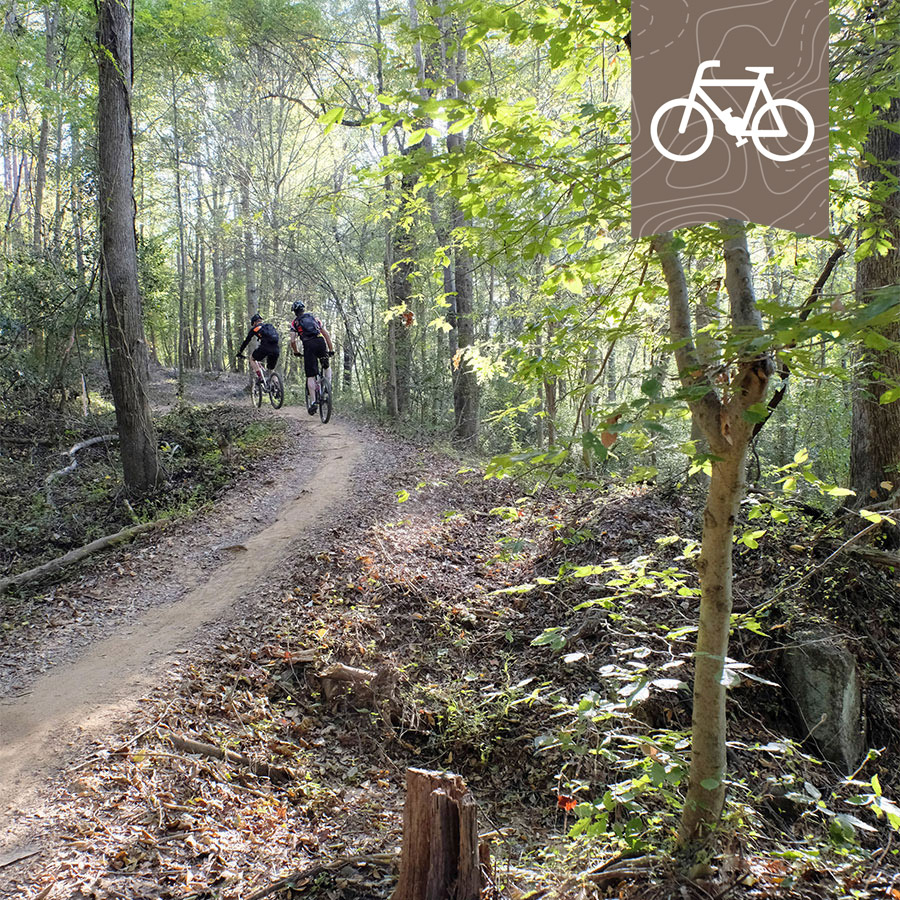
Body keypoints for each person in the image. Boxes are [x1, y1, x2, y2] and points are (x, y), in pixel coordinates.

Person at [290, 300, 334, 414]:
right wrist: (331, 349)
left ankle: (314, 402)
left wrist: (296, 351)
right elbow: (326, 334)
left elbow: (293, 340)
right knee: (326, 365)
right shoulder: (315, 319)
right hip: (320, 342)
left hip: (308, 345)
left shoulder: (295, 323)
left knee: (310, 376)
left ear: (295, 312)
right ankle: (328, 386)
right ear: (303, 309)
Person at [236, 313, 280, 381]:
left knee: (252, 358)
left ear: (254, 322)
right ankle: (277, 385)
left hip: (265, 348)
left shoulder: (255, 328)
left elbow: (246, 341)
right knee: (271, 369)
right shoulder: (269, 327)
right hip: (276, 349)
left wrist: (240, 352)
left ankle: (260, 377)